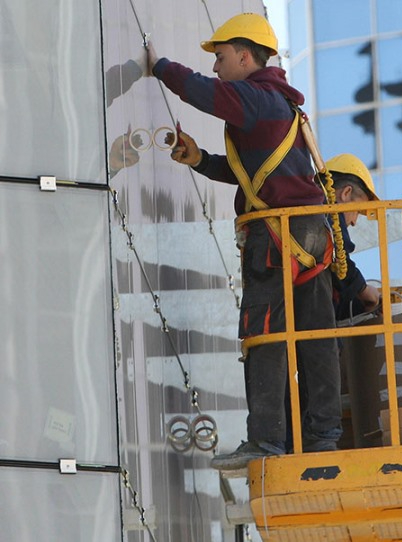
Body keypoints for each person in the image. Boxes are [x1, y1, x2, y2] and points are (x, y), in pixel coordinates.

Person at [147, 12, 342, 468]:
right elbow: (253, 174)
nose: (216, 66)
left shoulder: (256, 97)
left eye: (220, 57)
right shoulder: (280, 105)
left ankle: (268, 440)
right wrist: (201, 160)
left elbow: (203, 92)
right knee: (315, 337)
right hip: (310, 231)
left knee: (264, 333)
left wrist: (158, 66)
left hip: (277, 234)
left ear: (244, 56)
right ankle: (324, 437)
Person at [325, 153, 382, 321]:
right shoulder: (325, 213)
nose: (354, 222)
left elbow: (334, 294)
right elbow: (341, 262)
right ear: (346, 193)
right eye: (357, 211)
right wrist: (364, 290)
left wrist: (362, 306)